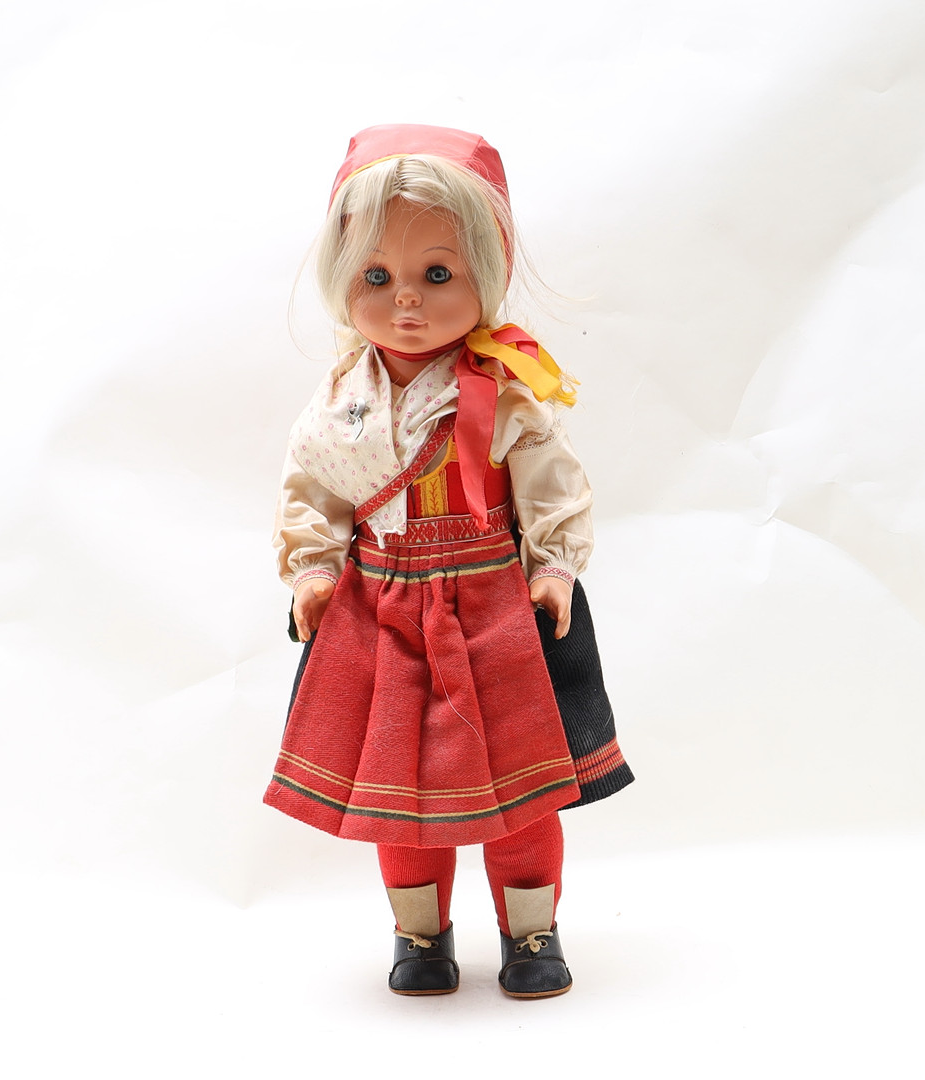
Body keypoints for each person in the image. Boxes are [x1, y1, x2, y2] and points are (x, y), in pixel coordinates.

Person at [264, 124, 633, 998]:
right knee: (401, 796)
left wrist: (554, 566)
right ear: (341, 277)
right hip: (385, 612)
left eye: (438, 274)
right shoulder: (340, 405)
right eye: (376, 276)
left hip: (493, 608)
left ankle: (531, 930)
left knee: (521, 792)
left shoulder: (504, 390)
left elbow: (549, 484)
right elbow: (314, 492)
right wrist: (313, 571)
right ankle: (419, 935)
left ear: (486, 273)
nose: (406, 300)